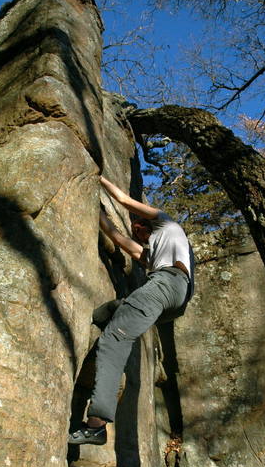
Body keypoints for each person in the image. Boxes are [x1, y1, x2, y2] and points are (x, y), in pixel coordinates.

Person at [69, 175, 194, 446]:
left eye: (139, 225)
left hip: (167, 282)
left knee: (114, 339)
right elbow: (119, 239)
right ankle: (100, 316)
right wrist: (100, 216)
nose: (136, 230)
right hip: (172, 299)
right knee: (119, 309)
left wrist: (97, 176)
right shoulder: (153, 254)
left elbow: (124, 201)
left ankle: (96, 425)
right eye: (135, 229)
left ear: (149, 222)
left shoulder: (166, 222)